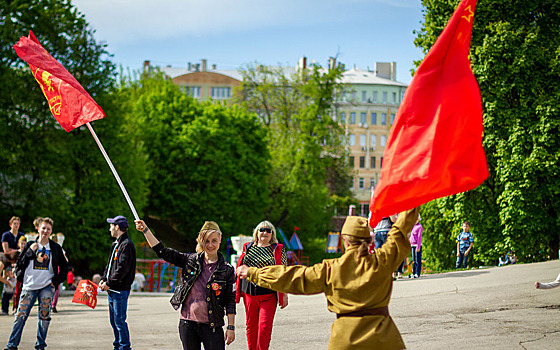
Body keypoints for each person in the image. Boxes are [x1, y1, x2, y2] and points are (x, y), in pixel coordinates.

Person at [237, 208, 420, 350]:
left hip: (345, 341)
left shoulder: (331, 269)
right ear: (370, 241)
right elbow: (400, 231)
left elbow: (292, 276)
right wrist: (413, 199)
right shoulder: (383, 261)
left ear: (344, 241)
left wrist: (253, 272)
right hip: (384, 339)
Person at [134, 219, 236, 350]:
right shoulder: (190, 260)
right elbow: (163, 252)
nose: (210, 245)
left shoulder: (227, 269)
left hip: (213, 326)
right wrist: (145, 231)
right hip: (188, 324)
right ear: (201, 241)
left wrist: (231, 327)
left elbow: (230, 300)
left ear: (220, 239)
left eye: (214, 240)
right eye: (206, 241)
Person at [5, 217, 68, 350]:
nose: (45, 231)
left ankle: (40, 345)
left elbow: (65, 267)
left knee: (44, 318)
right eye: (43, 228)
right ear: (38, 229)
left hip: (46, 287)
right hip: (29, 286)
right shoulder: (29, 245)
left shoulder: (55, 248)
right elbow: (20, 264)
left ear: (51, 231)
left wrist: (55, 282)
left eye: (48, 229)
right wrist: (30, 252)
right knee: (20, 317)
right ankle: (12, 346)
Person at [235, 220, 288, 350]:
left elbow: (284, 271)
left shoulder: (278, 249)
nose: (265, 232)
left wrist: (285, 293)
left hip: (268, 293)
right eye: (262, 230)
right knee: (251, 326)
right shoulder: (248, 247)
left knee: (265, 326)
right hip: (249, 292)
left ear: (272, 234)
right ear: (256, 233)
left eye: (268, 230)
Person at [99, 215, 136, 350]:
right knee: (114, 321)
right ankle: (117, 345)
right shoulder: (116, 244)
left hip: (119, 290)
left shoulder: (126, 245)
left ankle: (124, 347)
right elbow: (109, 265)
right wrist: (104, 279)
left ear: (117, 227)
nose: (110, 229)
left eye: (111, 226)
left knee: (119, 321)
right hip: (112, 289)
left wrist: (109, 282)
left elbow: (122, 268)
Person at [50, 232, 68, 313]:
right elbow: (66, 260)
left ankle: (50, 304)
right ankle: (53, 304)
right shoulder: (59, 248)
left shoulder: (52, 248)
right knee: (56, 288)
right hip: (56, 268)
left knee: (51, 287)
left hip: (52, 269)